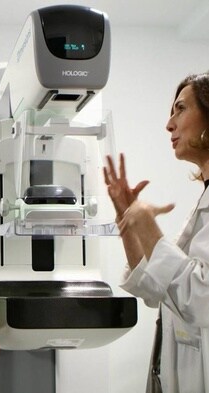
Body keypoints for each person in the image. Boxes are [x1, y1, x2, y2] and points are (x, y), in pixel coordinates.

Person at [103, 72, 209, 392]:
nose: (169, 124)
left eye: (180, 109)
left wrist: (147, 223)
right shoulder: (203, 200)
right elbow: (155, 288)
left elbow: (200, 298)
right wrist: (128, 221)